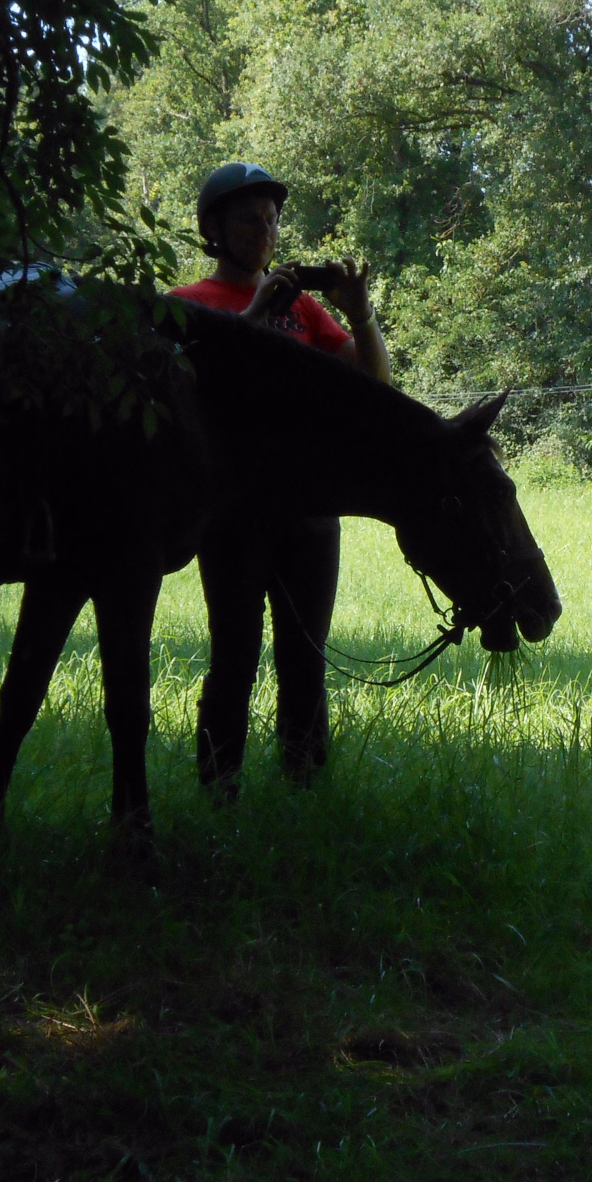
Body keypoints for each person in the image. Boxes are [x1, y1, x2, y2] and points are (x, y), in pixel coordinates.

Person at [169, 162, 389, 790]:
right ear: (215, 228)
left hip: (310, 509)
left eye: (271, 219)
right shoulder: (187, 306)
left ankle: (302, 784)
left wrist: (362, 313)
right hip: (233, 510)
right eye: (248, 218)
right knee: (234, 656)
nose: (264, 231)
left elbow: (374, 384)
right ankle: (219, 786)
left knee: (306, 657)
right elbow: (193, 384)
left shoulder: (308, 310)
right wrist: (258, 313)